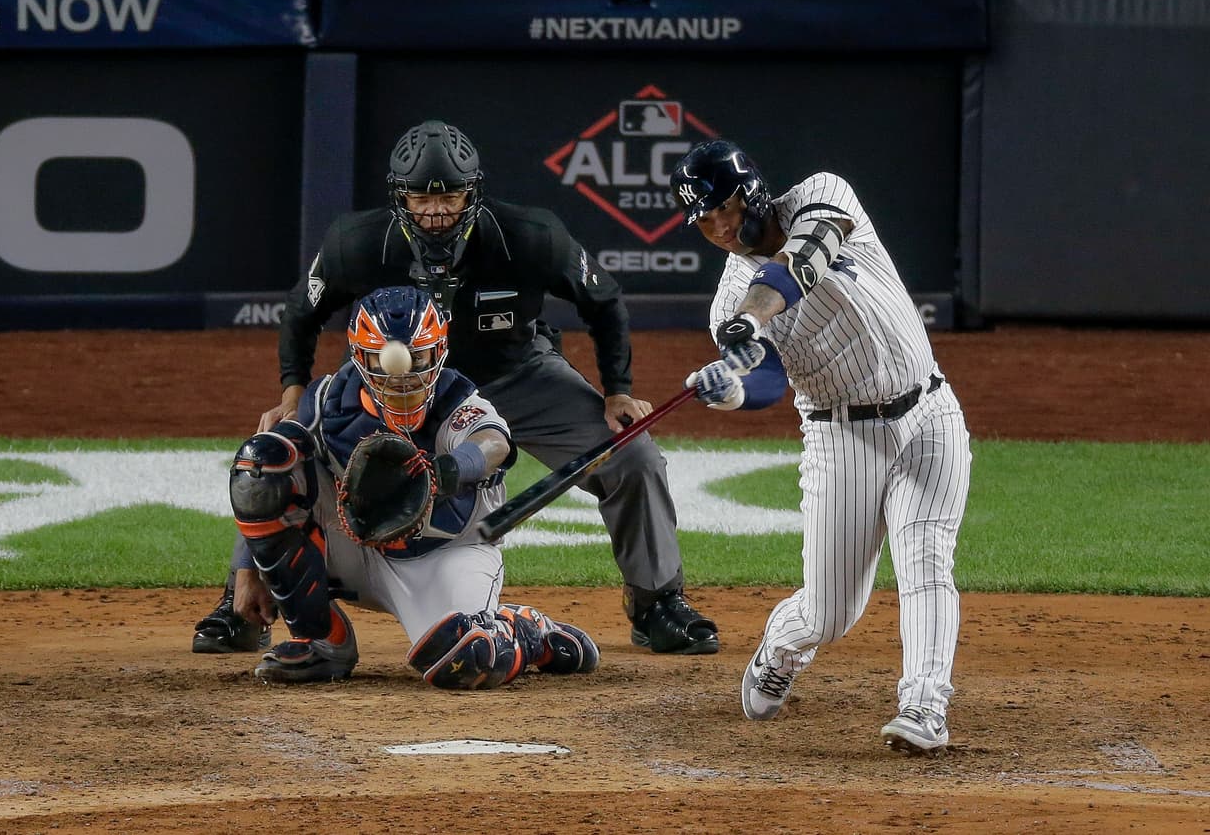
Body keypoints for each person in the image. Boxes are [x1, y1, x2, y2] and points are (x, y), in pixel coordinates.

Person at [193, 120, 718, 656]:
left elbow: (603, 302)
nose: (436, 211)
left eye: (451, 197)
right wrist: (291, 390)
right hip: (399, 386)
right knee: (285, 448)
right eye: (421, 198)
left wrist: (618, 392)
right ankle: (246, 592)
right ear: (400, 197)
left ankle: (657, 601)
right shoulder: (356, 243)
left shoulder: (533, 236)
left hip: (516, 374)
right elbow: (302, 313)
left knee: (634, 458)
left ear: (475, 192)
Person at [670, 140, 972, 754]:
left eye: (725, 208)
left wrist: (751, 320)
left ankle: (924, 706)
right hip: (844, 436)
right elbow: (768, 382)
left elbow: (802, 261)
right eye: (704, 220)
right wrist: (728, 391)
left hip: (932, 411)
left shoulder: (822, 194)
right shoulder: (726, 303)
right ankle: (783, 647)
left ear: (751, 191)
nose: (721, 227)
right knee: (833, 612)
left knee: (926, 561)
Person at [227, 285, 599, 688]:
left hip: (445, 556)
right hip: (353, 548)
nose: (401, 378)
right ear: (359, 358)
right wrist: (246, 569)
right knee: (262, 461)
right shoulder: (330, 401)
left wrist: (446, 471)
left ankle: (524, 629)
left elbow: (492, 443)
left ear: (439, 353)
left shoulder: (458, 399)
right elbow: (266, 482)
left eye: (418, 359)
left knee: (466, 660)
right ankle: (319, 640)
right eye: (381, 363)